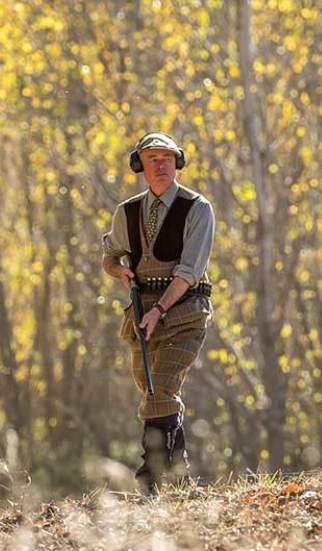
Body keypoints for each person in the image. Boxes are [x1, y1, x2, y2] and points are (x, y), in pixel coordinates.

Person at [102, 132, 215, 493]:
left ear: (178, 162)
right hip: (141, 314)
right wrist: (120, 270)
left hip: (185, 313)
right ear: (140, 166)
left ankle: (150, 479)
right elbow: (110, 254)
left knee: (161, 386)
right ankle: (177, 477)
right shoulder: (127, 212)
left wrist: (161, 308)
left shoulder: (197, 209)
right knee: (152, 392)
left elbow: (189, 271)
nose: (161, 164)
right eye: (153, 159)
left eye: (167, 157)